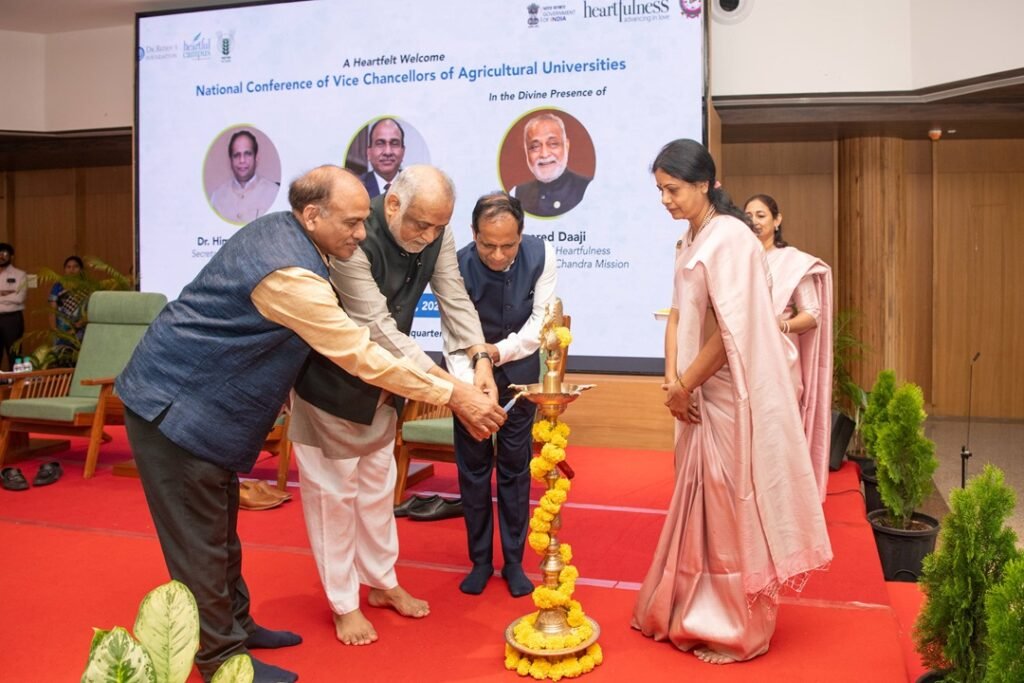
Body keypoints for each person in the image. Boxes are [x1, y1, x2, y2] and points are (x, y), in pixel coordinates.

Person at [115, 165, 505, 683]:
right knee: (200, 546)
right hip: (175, 408)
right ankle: (222, 662)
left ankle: (237, 624)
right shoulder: (291, 275)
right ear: (312, 214)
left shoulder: (294, 235)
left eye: (364, 221)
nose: (362, 235)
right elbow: (360, 352)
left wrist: (468, 368)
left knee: (221, 534)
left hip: (204, 409)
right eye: (351, 223)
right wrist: (451, 393)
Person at [631, 140, 832, 665]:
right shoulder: (690, 239)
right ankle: (688, 607)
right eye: (659, 191)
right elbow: (678, 315)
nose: (665, 200)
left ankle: (736, 628)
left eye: (672, 189)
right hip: (694, 391)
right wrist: (671, 378)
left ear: (704, 184)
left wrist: (685, 385)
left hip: (724, 396)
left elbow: (729, 333)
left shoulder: (731, 239)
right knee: (695, 503)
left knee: (726, 508)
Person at [288, 165, 500, 647]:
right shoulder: (353, 239)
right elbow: (378, 330)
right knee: (333, 501)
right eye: (419, 225)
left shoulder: (436, 230)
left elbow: (454, 296)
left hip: (388, 389)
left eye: (437, 227)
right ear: (392, 206)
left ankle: (382, 583)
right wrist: (456, 391)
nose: (428, 236)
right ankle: (344, 603)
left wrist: (480, 358)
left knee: (378, 492)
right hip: (331, 386)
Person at [444, 192, 557, 597]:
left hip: (519, 374)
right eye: (486, 244)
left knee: (514, 468)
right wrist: (469, 386)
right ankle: (479, 561)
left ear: (521, 234)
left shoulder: (542, 256)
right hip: (466, 378)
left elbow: (539, 326)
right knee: (473, 471)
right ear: (473, 233)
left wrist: (495, 353)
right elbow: (454, 333)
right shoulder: (454, 265)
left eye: (507, 245)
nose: (496, 254)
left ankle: (512, 561)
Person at [745, 194, 834, 503]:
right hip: (743, 354)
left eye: (761, 215)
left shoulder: (794, 262)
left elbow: (812, 315)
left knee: (780, 428)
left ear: (777, 220)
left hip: (782, 356)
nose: (754, 221)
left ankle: (783, 497)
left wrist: (779, 326)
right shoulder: (741, 260)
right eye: (749, 216)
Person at [510, 113, 592, 217]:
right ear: (527, 152)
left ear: (566, 146)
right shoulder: (515, 195)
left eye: (553, 144)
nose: (544, 154)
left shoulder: (589, 189)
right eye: (535, 147)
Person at [209, 130, 281, 224]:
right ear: (230, 160)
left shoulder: (273, 192)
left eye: (247, 154)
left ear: (256, 158)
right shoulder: (217, 198)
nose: (242, 160)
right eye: (236, 155)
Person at [48, 256, 89, 357]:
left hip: (81, 330)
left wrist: (81, 323)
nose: (72, 270)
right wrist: (55, 331)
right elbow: (52, 311)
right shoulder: (57, 287)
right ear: (64, 269)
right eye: (68, 267)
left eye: (75, 267)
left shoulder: (88, 287)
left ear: (81, 270)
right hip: (62, 332)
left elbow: (91, 309)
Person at [361, 118, 406, 198]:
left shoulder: (416, 188)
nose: (387, 152)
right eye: (380, 144)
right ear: (369, 152)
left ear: (403, 152)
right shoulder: (357, 187)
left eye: (394, 144)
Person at [0, 242, 27, 371]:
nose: (1, 256)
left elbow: (19, 298)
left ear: (11, 256)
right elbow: (13, 297)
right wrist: (7, 294)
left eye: (4, 253)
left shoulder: (20, 274)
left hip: (12, 319)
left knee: (14, 354)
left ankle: (16, 387)